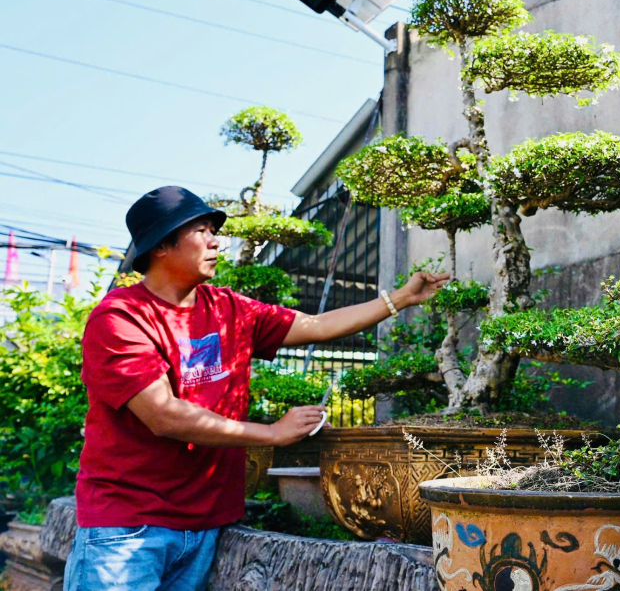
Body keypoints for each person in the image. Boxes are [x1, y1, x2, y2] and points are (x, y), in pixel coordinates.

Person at [63, 187, 448, 591]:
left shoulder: (229, 308)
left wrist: (401, 298)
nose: (216, 241)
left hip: (206, 524)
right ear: (161, 245)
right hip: (128, 529)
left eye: (215, 230)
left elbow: (316, 326)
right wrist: (272, 434)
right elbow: (164, 415)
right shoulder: (121, 317)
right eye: (202, 231)